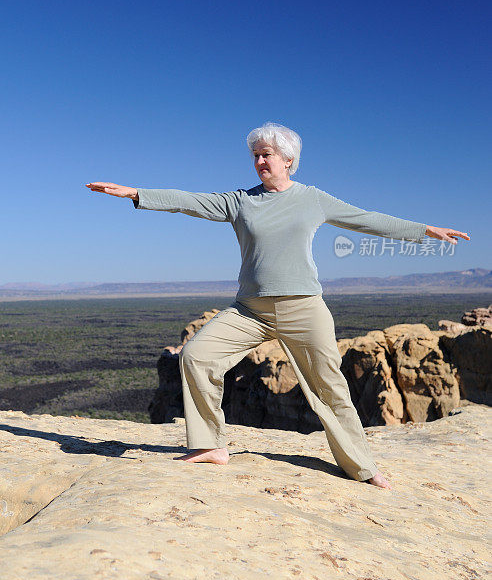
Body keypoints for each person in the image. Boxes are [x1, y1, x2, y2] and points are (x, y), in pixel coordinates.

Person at [86, 122, 470, 489]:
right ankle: (211, 445)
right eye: (255, 155)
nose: (259, 162)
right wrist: (136, 193)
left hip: (304, 308)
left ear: (288, 159)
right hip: (249, 310)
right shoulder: (241, 202)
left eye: (266, 154)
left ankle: (363, 468)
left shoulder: (312, 199)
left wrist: (425, 231)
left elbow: (366, 220)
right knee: (196, 356)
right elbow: (191, 202)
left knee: (329, 388)